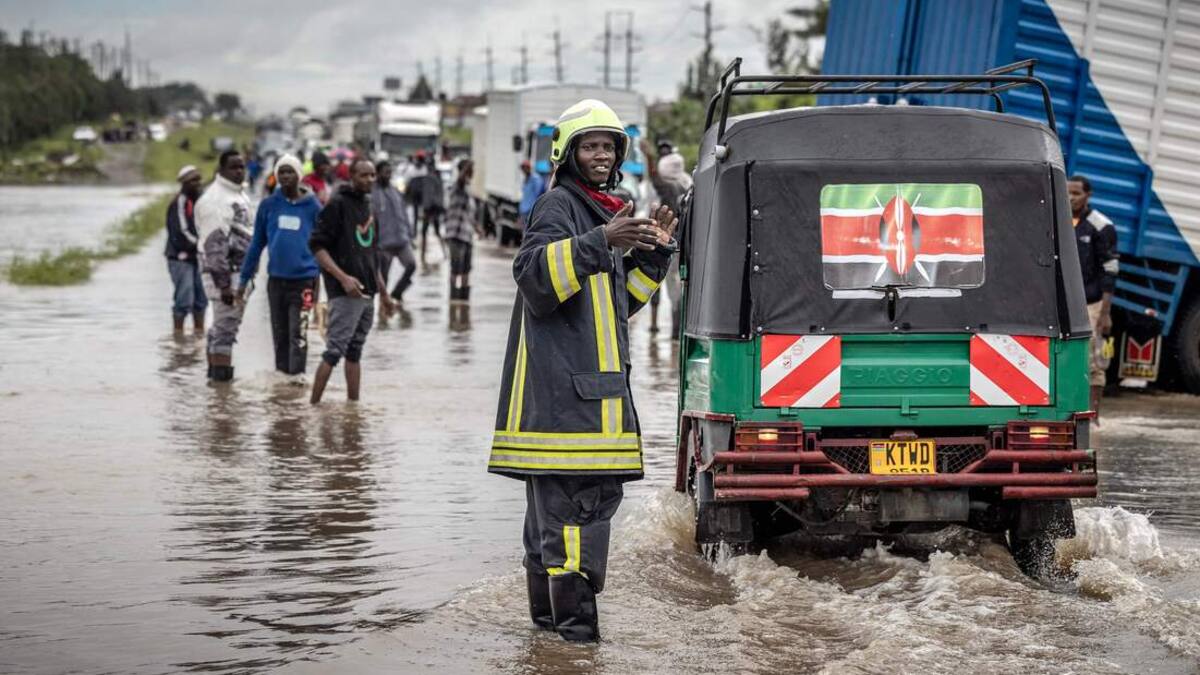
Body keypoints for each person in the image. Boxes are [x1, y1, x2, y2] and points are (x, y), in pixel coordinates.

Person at [487, 99, 677, 643]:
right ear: (567, 154)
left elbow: (616, 305)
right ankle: (577, 649)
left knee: (552, 534)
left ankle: (548, 645)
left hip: (583, 405)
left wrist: (654, 256)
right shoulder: (558, 206)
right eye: (590, 146)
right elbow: (534, 277)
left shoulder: (600, 211)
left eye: (608, 147)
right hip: (568, 413)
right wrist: (602, 242)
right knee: (574, 532)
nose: (601, 155)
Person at [308, 159, 395, 404]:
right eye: (364, 175)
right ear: (352, 176)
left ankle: (353, 409)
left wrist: (384, 294)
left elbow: (371, 255)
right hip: (345, 293)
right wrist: (343, 278)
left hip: (368, 294)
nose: (370, 180)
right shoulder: (337, 204)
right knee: (334, 352)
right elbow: (317, 246)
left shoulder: (369, 205)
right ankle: (313, 408)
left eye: (372, 175)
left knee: (355, 352)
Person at [239, 154, 322, 376]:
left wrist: (322, 283)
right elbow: (257, 244)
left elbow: (322, 246)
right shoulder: (269, 205)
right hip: (276, 282)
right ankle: (283, 386)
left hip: (304, 282)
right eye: (281, 172)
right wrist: (244, 279)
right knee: (280, 336)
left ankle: (297, 382)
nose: (285, 176)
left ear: (299, 175)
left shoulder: (313, 206)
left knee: (299, 335)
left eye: (290, 172)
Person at [196, 150, 254, 382]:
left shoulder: (237, 194)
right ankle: (222, 391)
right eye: (233, 167)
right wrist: (224, 286)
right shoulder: (216, 200)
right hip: (226, 275)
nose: (239, 171)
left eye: (242, 166)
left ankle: (214, 384)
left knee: (221, 328)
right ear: (221, 170)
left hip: (237, 273)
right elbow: (213, 246)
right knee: (225, 330)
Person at [1068, 174, 1119, 420]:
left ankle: (1094, 416)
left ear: (1088, 195)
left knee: (1093, 360)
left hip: (1092, 303)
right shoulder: (1059, 219)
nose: (1070, 198)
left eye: (1076, 193)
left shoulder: (1101, 226)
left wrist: (1105, 313)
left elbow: (1110, 269)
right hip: (1064, 304)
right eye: (1067, 192)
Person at [641, 139, 692, 336]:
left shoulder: (668, 187)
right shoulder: (687, 184)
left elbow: (654, 177)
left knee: (664, 283)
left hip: (666, 241)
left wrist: (648, 156)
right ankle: (675, 330)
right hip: (681, 243)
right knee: (676, 284)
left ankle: (674, 330)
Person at [164, 165, 208, 335]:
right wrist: (200, 244)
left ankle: (199, 334)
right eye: (193, 181)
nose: (197, 184)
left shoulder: (201, 202)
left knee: (201, 299)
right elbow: (180, 232)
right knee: (184, 297)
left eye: (198, 180)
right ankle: (178, 335)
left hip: (199, 256)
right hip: (180, 257)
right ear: (183, 183)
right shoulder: (178, 203)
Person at [371, 160, 418, 317]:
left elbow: (404, 214)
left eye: (390, 172)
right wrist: (374, 243)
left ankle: (397, 293)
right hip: (383, 243)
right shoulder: (372, 193)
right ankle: (382, 308)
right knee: (383, 277)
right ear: (378, 173)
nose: (388, 175)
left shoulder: (395, 191)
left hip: (402, 239)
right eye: (385, 172)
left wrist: (410, 235)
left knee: (411, 265)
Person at [442, 158, 478, 304]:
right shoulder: (457, 186)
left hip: (467, 236)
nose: (473, 172)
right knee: (455, 268)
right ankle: (453, 299)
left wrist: (477, 228)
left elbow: (469, 214)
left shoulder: (468, 189)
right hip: (456, 235)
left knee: (466, 270)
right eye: (471, 170)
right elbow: (461, 178)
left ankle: (463, 301)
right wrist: (468, 165)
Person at [516, 159, 546, 247]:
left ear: (529, 168)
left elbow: (539, 194)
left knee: (530, 233)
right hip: (524, 211)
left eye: (525, 168)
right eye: (523, 168)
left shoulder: (536, 179)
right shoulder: (525, 179)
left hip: (532, 211)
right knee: (525, 233)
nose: (524, 170)